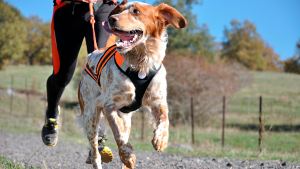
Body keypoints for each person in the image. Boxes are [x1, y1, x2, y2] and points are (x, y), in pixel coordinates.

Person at [41, 0, 116, 164]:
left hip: (104, 7)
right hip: (68, 9)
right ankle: (52, 114)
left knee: (101, 73)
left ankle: (97, 141)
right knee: (62, 76)